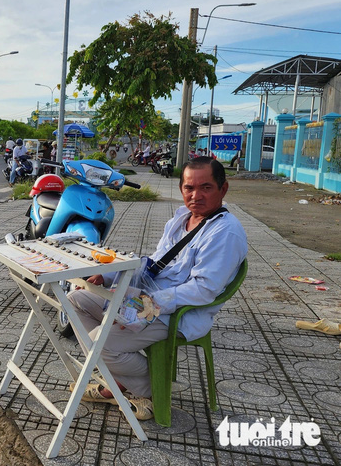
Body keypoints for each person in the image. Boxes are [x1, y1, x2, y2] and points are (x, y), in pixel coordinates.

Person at [66, 157, 247, 421]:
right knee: (75, 300)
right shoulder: (181, 219)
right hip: (147, 300)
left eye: (206, 188)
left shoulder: (225, 233)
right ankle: (121, 381)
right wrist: (109, 277)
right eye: (189, 188)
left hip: (179, 313)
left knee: (97, 340)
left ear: (223, 189)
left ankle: (147, 387)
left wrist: (146, 303)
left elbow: (203, 290)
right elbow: (152, 263)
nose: (196, 195)